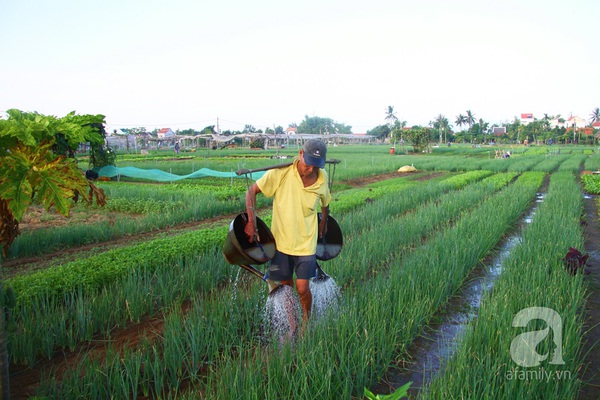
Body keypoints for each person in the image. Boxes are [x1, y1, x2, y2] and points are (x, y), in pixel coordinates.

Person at [244, 139, 331, 325]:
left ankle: (306, 321)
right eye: (308, 165)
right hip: (281, 243)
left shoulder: (322, 178)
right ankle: (293, 324)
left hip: (306, 244)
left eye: (316, 167)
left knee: (302, 288)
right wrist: (251, 221)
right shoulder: (280, 173)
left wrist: (323, 222)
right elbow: (251, 191)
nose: (311, 170)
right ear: (300, 154)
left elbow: (326, 203)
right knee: (286, 288)